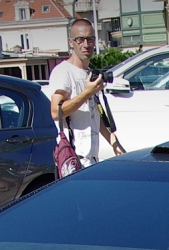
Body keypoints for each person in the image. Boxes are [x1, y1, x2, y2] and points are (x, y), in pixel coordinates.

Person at [48, 18, 124, 167]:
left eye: (90, 39)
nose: (86, 44)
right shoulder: (63, 72)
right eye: (80, 39)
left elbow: (96, 115)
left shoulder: (89, 74)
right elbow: (56, 112)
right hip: (73, 157)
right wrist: (88, 92)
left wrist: (115, 144)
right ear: (71, 42)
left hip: (91, 158)